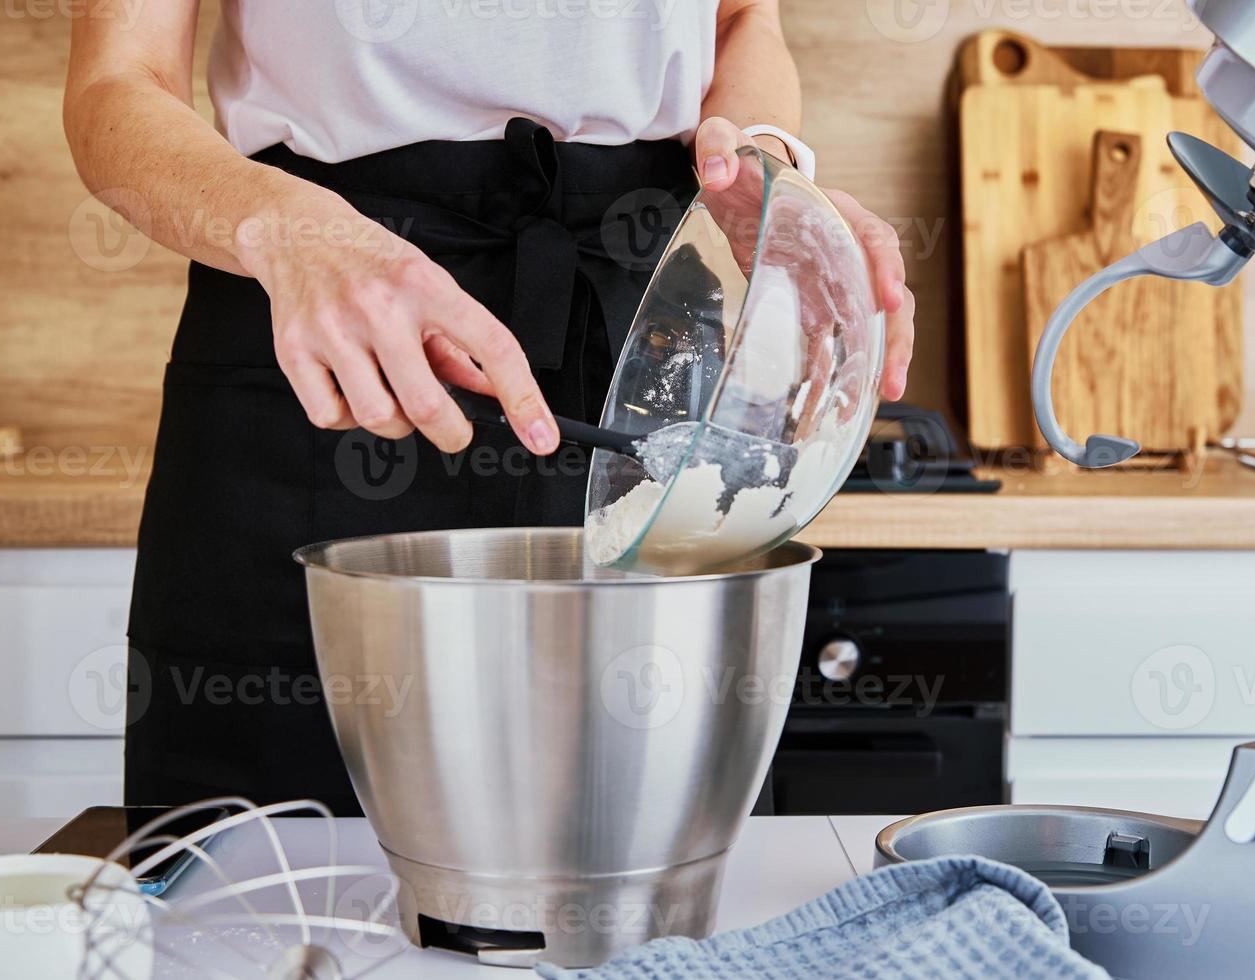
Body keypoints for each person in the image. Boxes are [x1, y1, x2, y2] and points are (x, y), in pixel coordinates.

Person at [64, 0, 916, 815]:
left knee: (645, 870)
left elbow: (743, 19)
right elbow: (117, 86)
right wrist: (288, 232)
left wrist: (766, 174)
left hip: (643, 322)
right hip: (316, 307)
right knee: (249, 900)